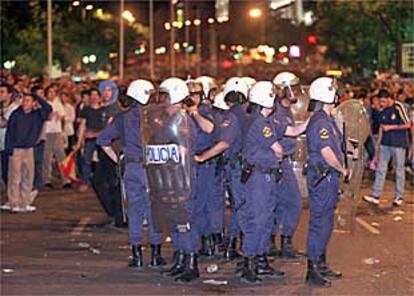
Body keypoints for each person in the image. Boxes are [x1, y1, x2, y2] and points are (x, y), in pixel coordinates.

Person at [97, 80, 166, 268]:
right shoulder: (158, 117)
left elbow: (102, 140)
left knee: (135, 211)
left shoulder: (122, 118)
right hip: (154, 168)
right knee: (155, 211)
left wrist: (118, 158)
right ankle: (155, 255)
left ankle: (136, 256)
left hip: (132, 168)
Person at [195, 77, 250, 261]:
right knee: (239, 206)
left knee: (236, 206)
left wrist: (202, 157)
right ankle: (231, 245)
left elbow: (224, 142)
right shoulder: (243, 114)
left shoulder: (232, 115)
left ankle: (230, 245)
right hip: (236, 167)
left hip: (233, 166)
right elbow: (223, 141)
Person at [305, 77, 351, 287]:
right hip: (323, 177)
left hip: (328, 178)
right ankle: (312, 269)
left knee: (326, 223)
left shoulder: (328, 119)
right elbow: (325, 151)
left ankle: (321, 263)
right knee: (319, 223)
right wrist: (342, 168)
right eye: (333, 93)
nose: (336, 97)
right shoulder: (321, 121)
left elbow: (335, 146)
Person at [155, 78, 200, 283]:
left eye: (166, 96)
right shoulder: (169, 120)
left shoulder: (184, 121)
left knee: (186, 220)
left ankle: (191, 263)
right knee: (175, 220)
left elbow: (183, 149)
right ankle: (181, 258)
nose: (163, 101)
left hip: (183, 176)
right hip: (171, 175)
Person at [271, 72, 306, 259]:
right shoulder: (277, 111)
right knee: (293, 203)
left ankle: (273, 242)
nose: (294, 92)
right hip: (277, 162)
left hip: (283, 160)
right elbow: (290, 132)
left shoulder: (286, 110)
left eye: (295, 87)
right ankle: (283, 242)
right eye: (289, 89)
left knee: (279, 204)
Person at [1, 93, 52, 212]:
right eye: (24, 100)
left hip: (29, 149)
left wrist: (37, 96)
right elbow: (10, 132)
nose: (25, 103)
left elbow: (48, 108)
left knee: (28, 176)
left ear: (34, 103)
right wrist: (9, 149)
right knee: (14, 177)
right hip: (16, 149)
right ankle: (14, 202)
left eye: (28, 100)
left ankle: (25, 202)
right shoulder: (16, 114)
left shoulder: (37, 115)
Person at [363, 89, 410, 207]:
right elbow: (381, 129)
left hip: (398, 144)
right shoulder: (381, 110)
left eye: (383, 101)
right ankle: (375, 195)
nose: (382, 103)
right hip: (385, 143)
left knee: (399, 170)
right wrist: (377, 149)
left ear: (389, 98)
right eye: (380, 101)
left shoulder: (398, 106)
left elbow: (408, 124)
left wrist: (391, 127)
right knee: (380, 169)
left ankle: (399, 196)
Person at [186, 79, 216, 257]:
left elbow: (210, 128)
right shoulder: (181, 112)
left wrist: (195, 113)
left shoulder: (204, 111)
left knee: (202, 203)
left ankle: (206, 240)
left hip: (203, 160)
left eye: (195, 95)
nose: (192, 98)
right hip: (186, 161)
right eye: (189, 95)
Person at [42, 86, 71, 189]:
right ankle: (46, 180)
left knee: (61, 156)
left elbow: (63, 117)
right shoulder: (43, 104)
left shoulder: (58, 103)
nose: (52, 94)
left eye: (54, 92)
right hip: (47, 132)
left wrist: (63, 131)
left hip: (57, 131)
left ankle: (66, 179)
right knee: (47, 157)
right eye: (50, 92)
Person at [0, 83, 20, 187]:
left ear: (10, 95)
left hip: (10, 145)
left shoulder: (14, 109)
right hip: (2, 144)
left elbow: (4, 124)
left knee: (10, 174)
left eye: (2, 92)